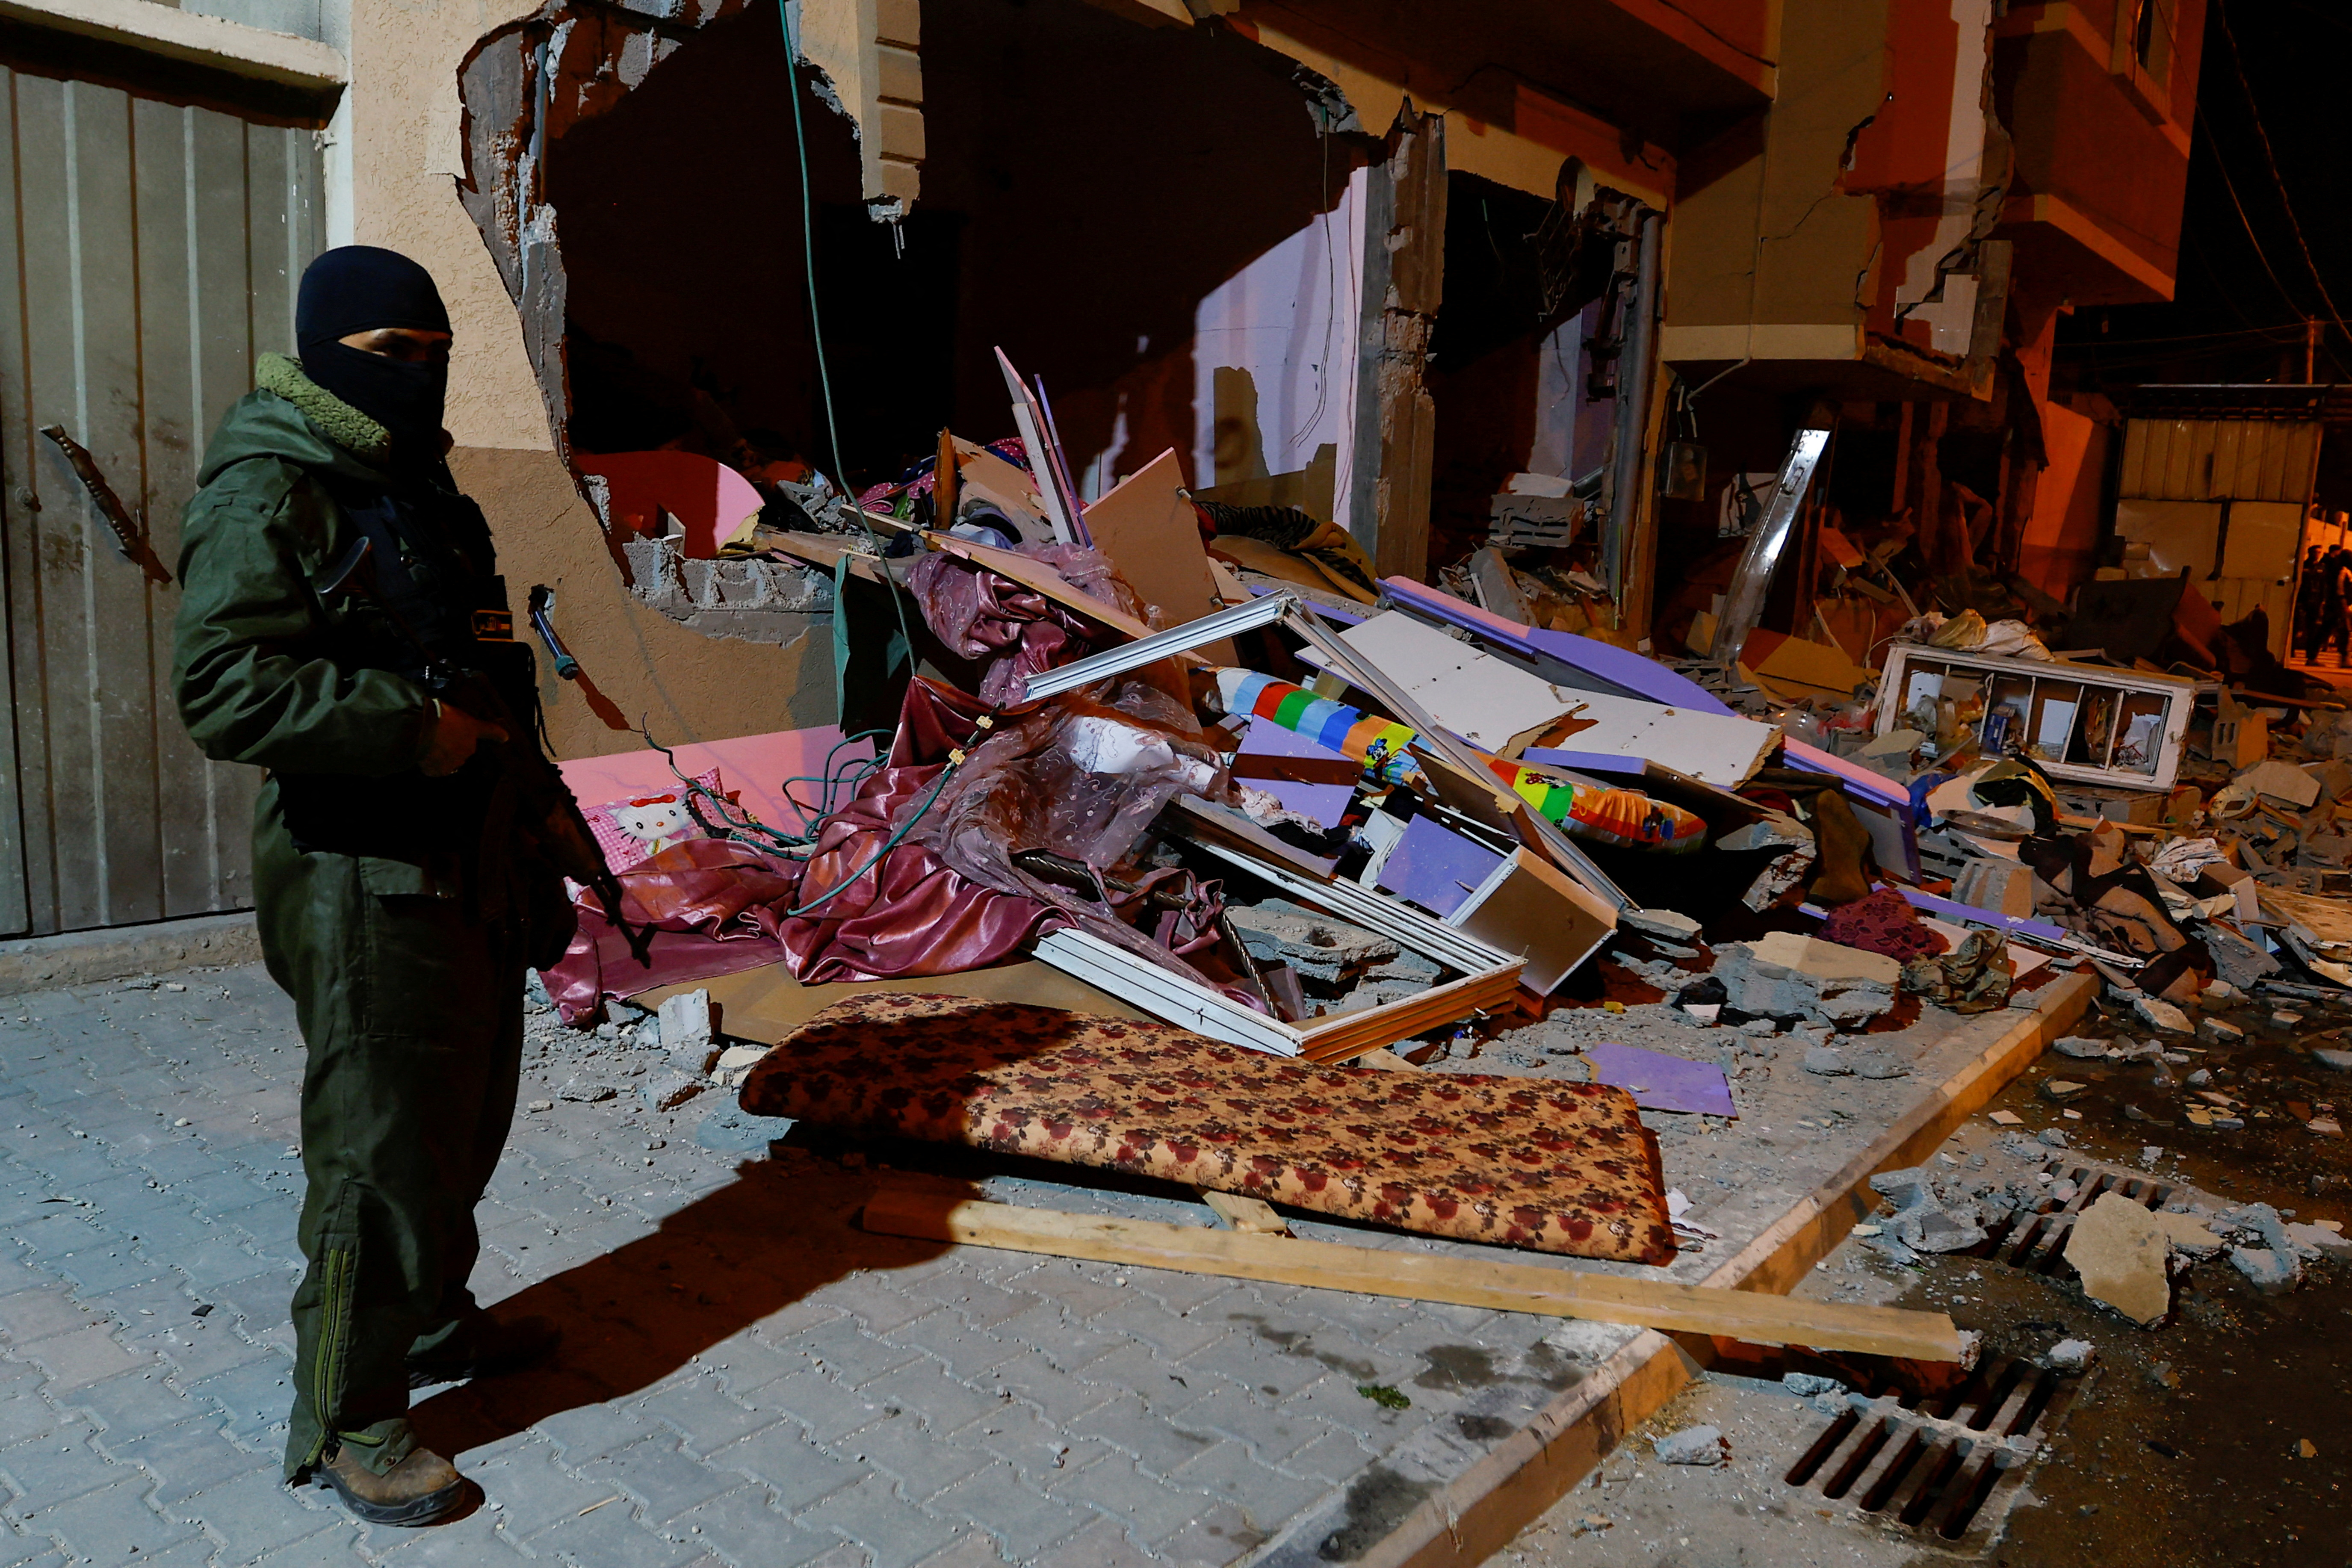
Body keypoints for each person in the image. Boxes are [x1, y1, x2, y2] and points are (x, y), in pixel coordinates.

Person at [173, 247, 603, 1525]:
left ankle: (429, 1321)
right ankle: (351, 1416)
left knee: (463, 1119)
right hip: (361, 872)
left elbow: (483, 675)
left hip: (464, 854)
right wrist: (414, 732)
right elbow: (222, 690)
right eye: (388, 354)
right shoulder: (273, 492)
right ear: (322, 351)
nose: (420, 371)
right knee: (376, 1153)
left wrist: (543, 811)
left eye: (433, 350)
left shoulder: (421, 487)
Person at [2296, 543, 2327, 660]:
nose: (2317, 555)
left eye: (2319, 552)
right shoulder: (2303, 565)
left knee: (2312, 629)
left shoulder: (2322, 567)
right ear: (2310, 553)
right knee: (2297, 625)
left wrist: (2323, 601)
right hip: (2303, 599)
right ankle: (2291, 651)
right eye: (2315, 552)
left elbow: (2324, 585)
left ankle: (2310, 655)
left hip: (2316, 601)